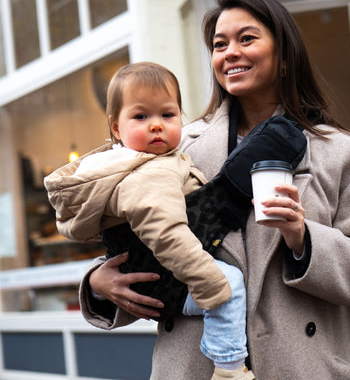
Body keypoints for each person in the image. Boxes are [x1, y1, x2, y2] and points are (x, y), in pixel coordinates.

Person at [76, 0, 350, 380]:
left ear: (284, 55)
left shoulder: (344, 154)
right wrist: (97, 282)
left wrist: (303, 237)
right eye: (219, 44)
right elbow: (140, 240)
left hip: (310, 366)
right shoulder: (173, 151)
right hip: (196, 367)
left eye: (247, 38)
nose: (230, 52)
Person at [44, 61, 255, 380]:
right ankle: (229, 369)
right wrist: (207, 282)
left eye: (167, 115)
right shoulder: (149, 171)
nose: (156, 125)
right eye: (141, 116)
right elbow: (166, 232)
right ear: (117, 128)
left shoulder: (132, 165)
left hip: (158, 272)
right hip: (168, 276)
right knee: (229, 286)